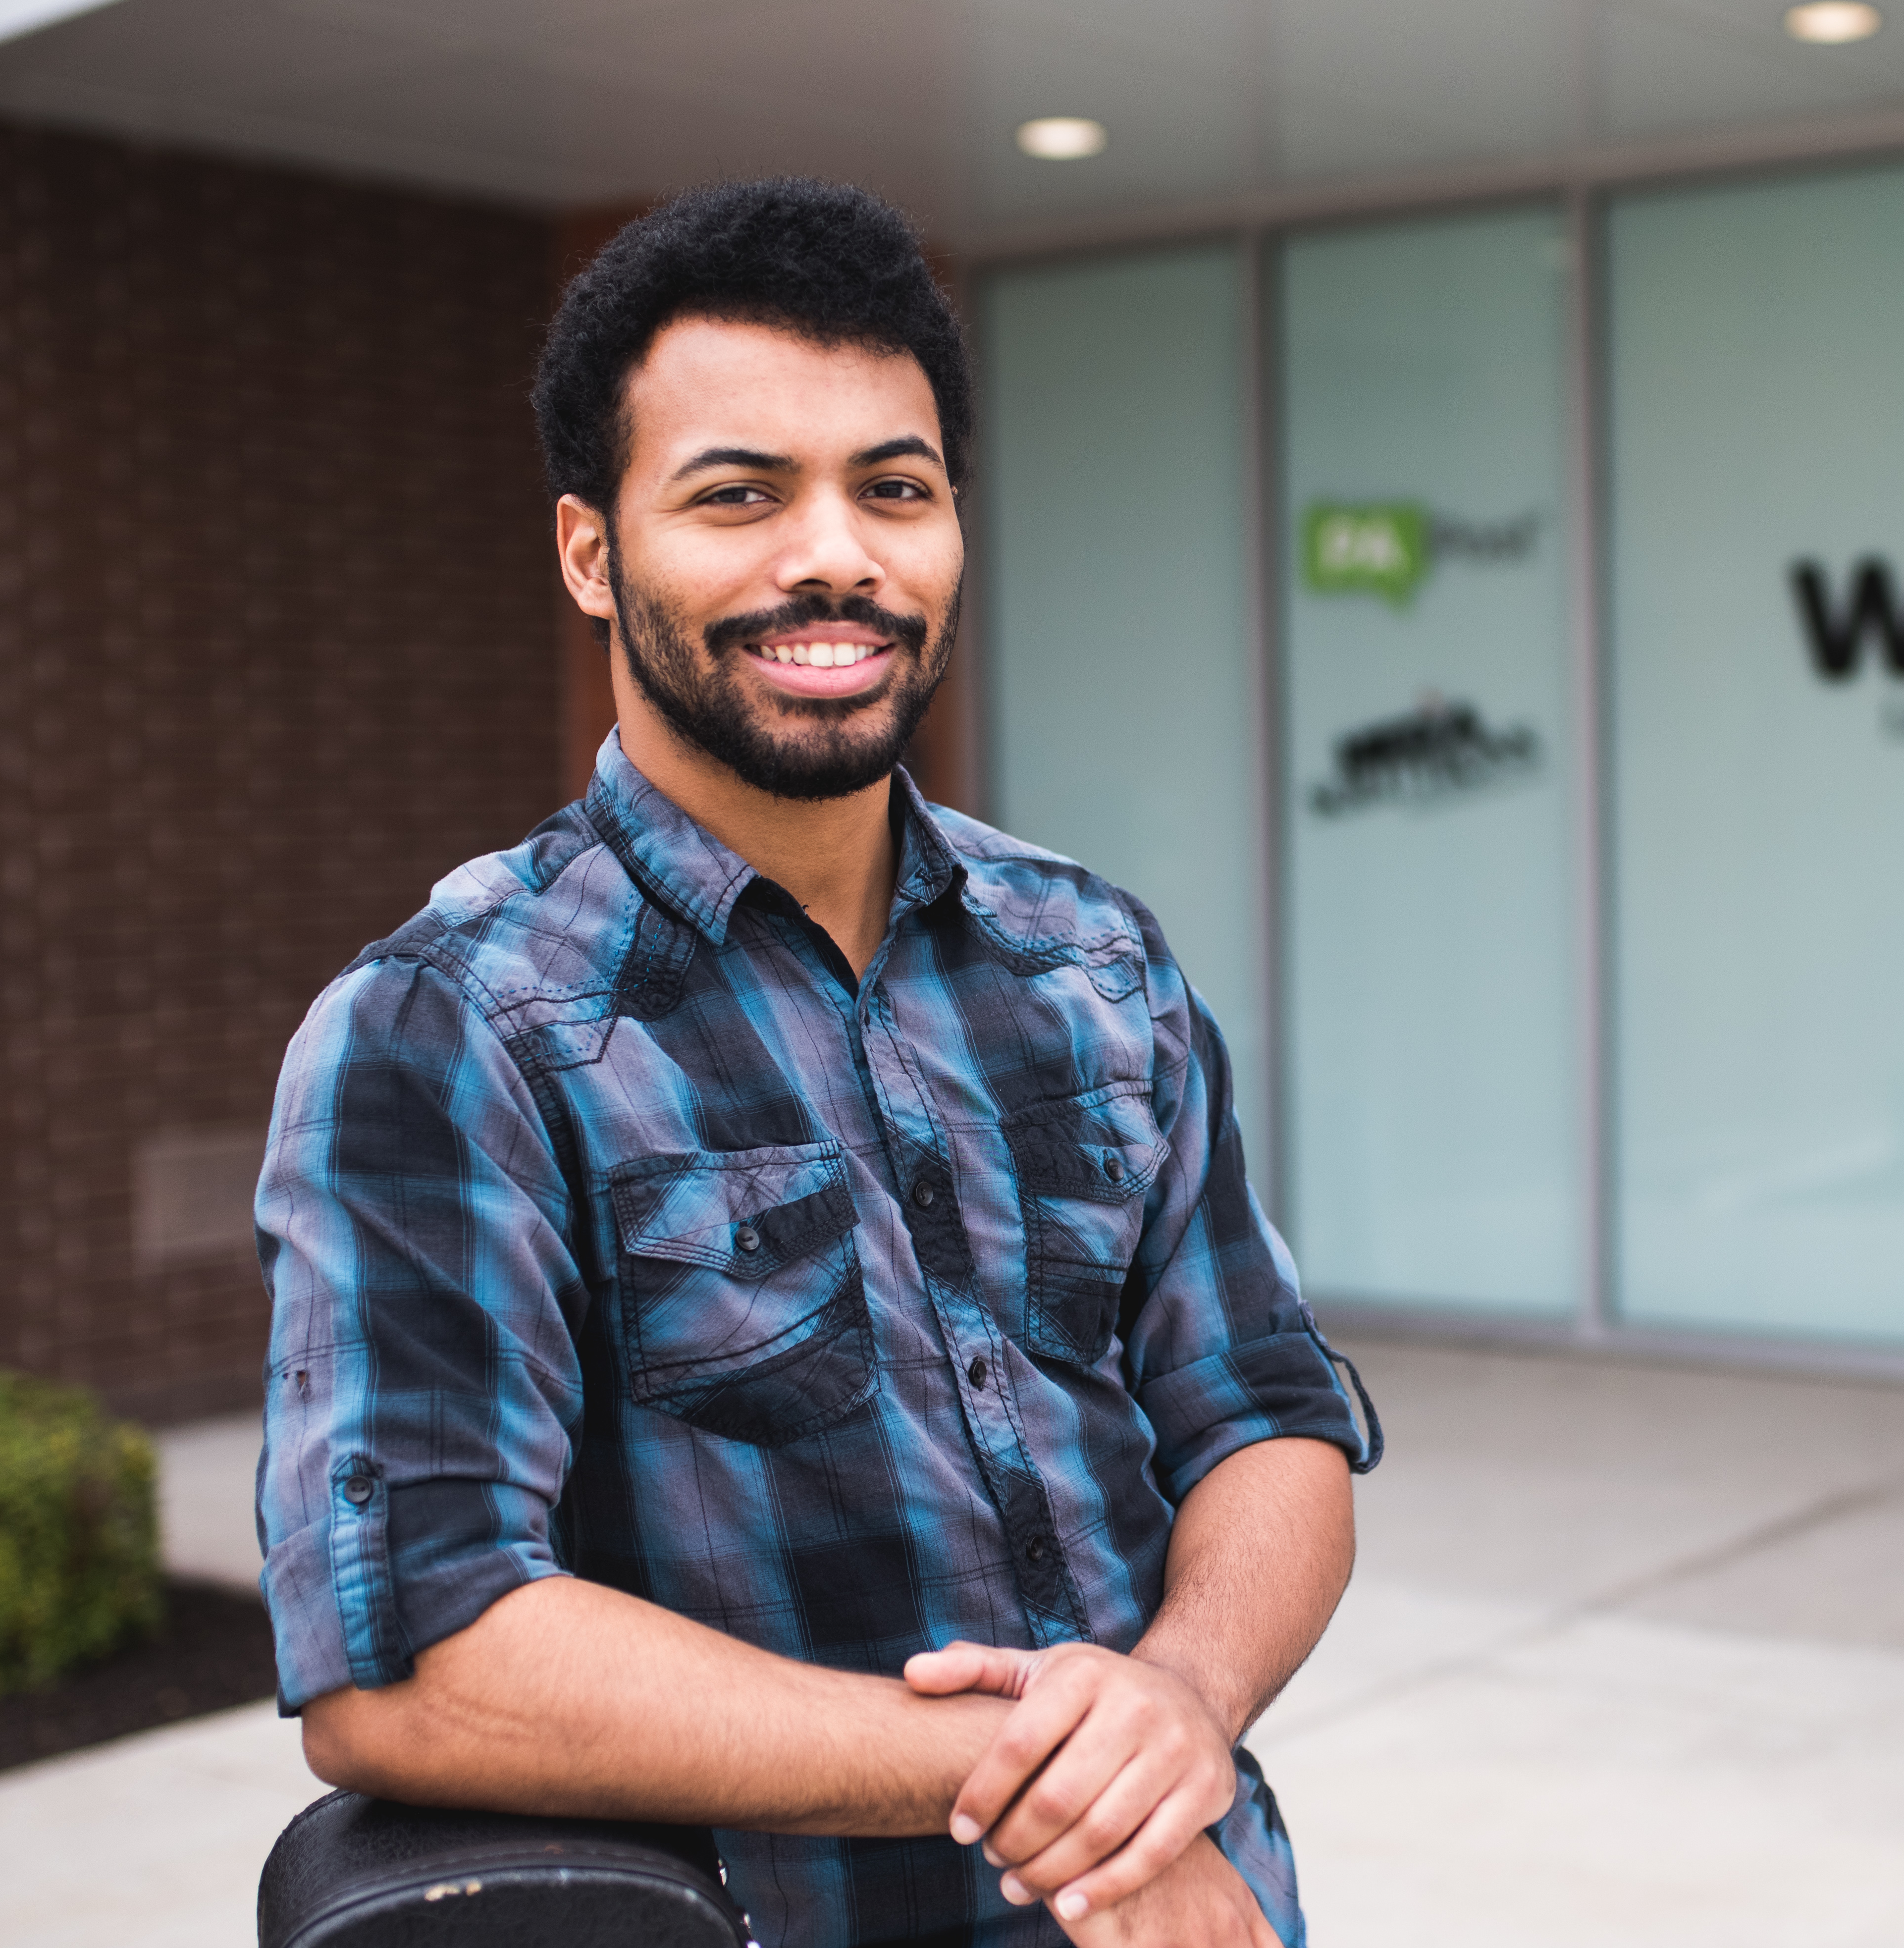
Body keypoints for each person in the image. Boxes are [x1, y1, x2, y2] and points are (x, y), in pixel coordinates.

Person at [253, 177, 1380, 1948]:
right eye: (737, 494)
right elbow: (416, 1654)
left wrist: (1183, 1697)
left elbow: (1267, 1415)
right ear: (589, 550)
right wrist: (1045, 1778)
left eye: (894, 487)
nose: (834, 555)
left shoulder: (1092, 957)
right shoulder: (452, 1029)